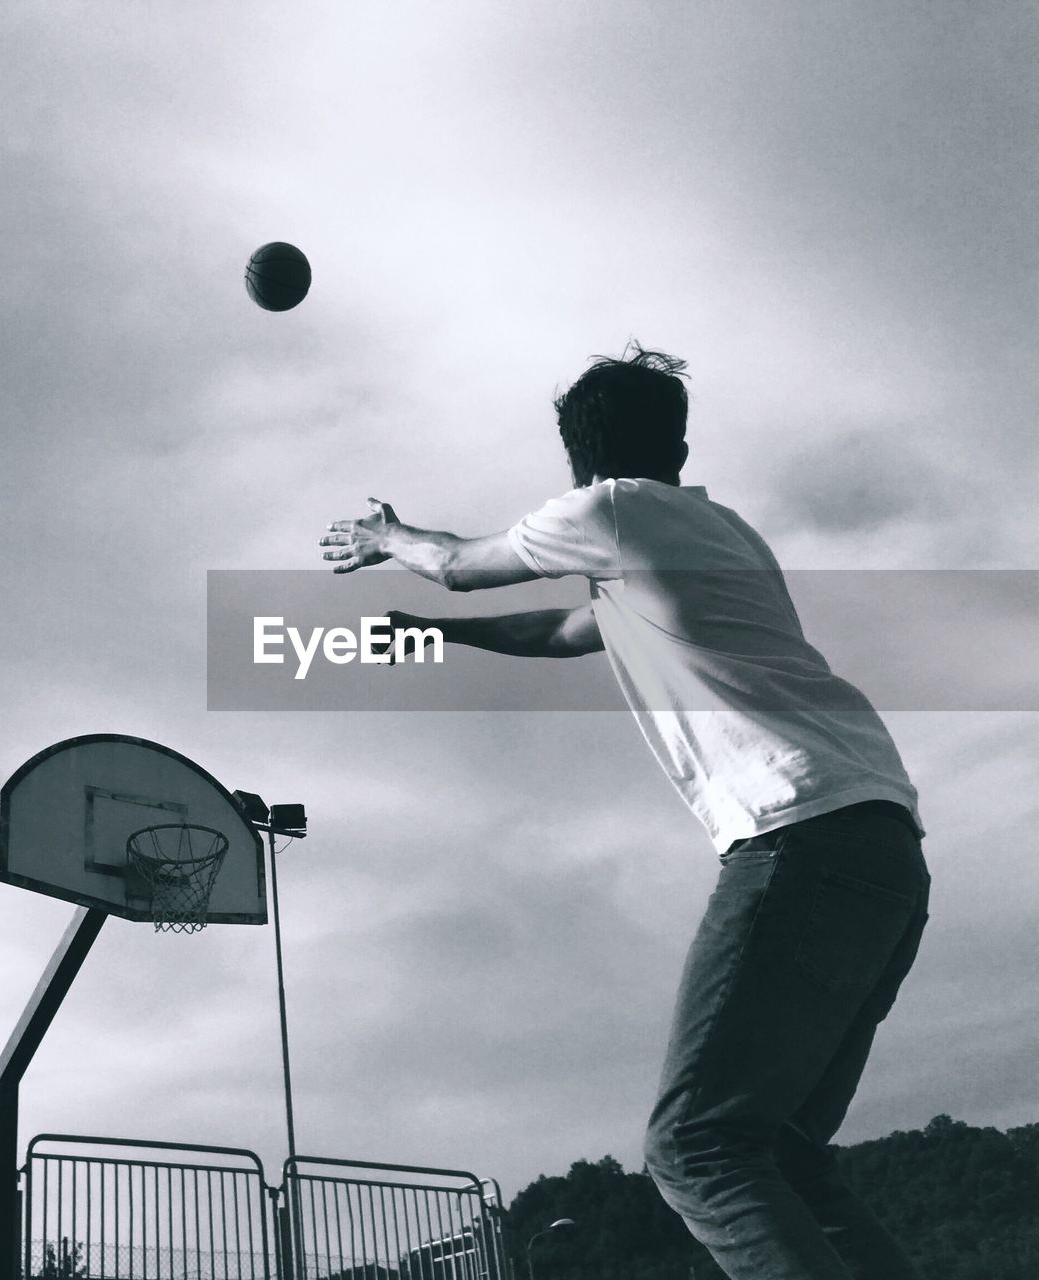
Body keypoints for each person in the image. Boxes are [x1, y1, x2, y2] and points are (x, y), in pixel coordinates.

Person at [318, 344, 931, 1280]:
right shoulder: (719, 533)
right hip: (884, 843)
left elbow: (457, 564)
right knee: (784, 1157)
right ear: (679, 444)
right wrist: (438, 636)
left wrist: (385, 539)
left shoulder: (606, 509)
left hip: (796, 833)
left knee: (697, 1150)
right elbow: (571, 629)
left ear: (578, 457)